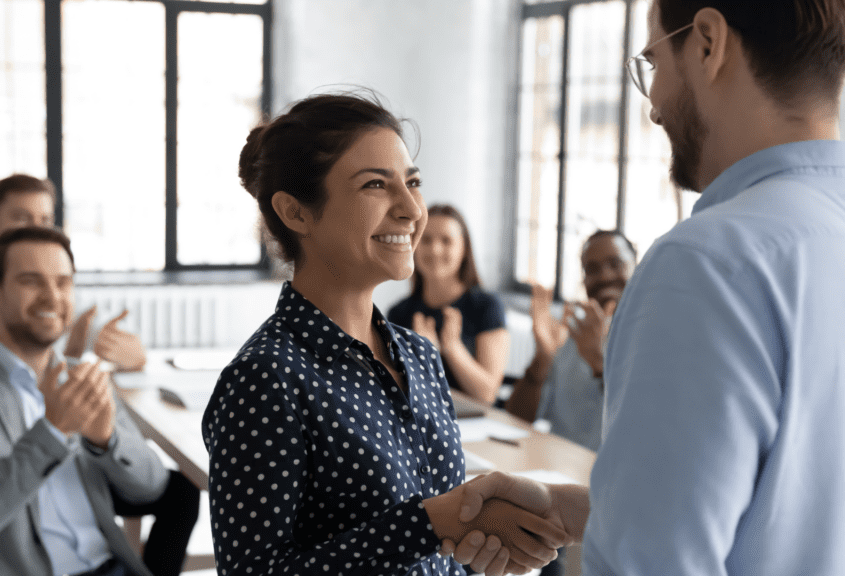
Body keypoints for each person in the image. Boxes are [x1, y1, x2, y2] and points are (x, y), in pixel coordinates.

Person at [452, 0, 845, 574]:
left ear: (706, 41)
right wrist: (581, 512)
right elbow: (819, 516)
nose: (652, 108)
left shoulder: (704, 262)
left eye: (652, 62)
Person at [201, 92, 570, 576]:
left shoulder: (418, 353)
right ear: (296, 213)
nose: (412, 210)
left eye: (412, 182)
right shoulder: (266, 378)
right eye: (376, 185)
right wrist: (426, 525)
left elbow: (443, 543)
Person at [0, 227, 200, 576]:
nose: (52, 296)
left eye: (63, 282)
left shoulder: (82, 379)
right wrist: (53, 430)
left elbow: (152, 487)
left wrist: (106, 441)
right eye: (31, 281)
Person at [0, 173, 146, 380]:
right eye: (21, 218)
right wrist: (67, 365)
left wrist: (129, 351)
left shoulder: (58, 294)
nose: (37, 230)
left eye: (45, 220)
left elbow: (115, 335)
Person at [505, 230, 636, 451]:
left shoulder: (656, 335)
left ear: (637, 267)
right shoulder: (571, 333)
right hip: (561, 470)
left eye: (615, 264)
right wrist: (542, 360)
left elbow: (644, 424)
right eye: (592, 269)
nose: (604, 276)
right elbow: (516, 418)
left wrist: (598, 362)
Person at [388, 204, 509, 404]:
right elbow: (400, 392)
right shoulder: (398, 314)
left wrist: (452, 348)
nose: (435, 250)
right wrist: (427, 356)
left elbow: (487, 395)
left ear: (464, 249)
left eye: (446, 241)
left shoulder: (487, 307)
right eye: (426, 240)